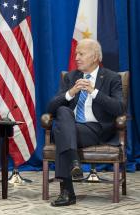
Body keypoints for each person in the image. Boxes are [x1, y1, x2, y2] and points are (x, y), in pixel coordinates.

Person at [47, 38, 125, 207]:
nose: (76, 57)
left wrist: (93, 91)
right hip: (70, 126)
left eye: (81, 54)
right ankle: (74, 162)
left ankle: (67, 192)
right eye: (76, 53)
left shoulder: (112, 78)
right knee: (62, 111)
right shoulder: (71, 77)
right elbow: (51, 107)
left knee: (61, 132)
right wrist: (71, 92)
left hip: (95, 129)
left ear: (95, 57)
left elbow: (119, 108)